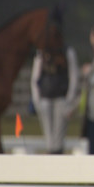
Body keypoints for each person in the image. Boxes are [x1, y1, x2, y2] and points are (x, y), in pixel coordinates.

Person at [29, 9, 79, 154]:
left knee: (59, 133)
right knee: (48, 132)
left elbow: (73, 76)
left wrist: (69, 97)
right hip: (45, 96)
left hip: (61, 96)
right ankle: (50, 153)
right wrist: (36, 98)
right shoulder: (41, 54)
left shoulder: (67, 51)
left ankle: (56, 153)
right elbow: (35, 77)